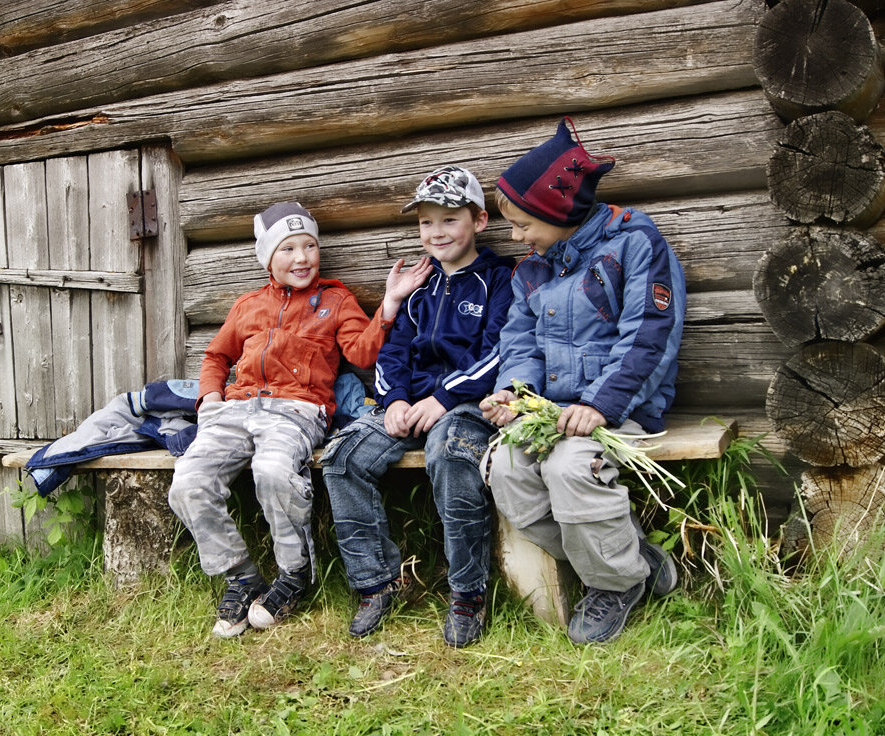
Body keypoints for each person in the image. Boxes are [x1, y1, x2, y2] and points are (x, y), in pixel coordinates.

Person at [168, 201, 431, 639]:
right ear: (268, 258)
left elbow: (363, 352)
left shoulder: (335, 299)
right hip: (235, 410)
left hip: (298, 410)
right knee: (188, 481)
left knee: (272, 472)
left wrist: (389, 303)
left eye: (309, 245)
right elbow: (216, 355)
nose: (303, 257)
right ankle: (242, 577)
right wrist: (209, 399)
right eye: (288, 248)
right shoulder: (249, 305)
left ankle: (293, 574)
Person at [478, 118, 685, 645]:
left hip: (622, 406)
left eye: (524, 225)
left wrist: (601, 405)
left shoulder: (633, 242)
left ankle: (614, 585)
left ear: (559, 211)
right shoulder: (534, 269)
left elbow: (649, 335)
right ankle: (631, 558)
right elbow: (520, 341)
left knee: (573, 466)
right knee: (505, 467)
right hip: (553, 410)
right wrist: (515, 394)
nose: (517, 237)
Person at [322, 166, 515, 647]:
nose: (437, 232)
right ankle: (376, 582)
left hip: (467, 403)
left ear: (480, 221)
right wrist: (395, 401)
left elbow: (499, 351)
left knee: (450, 456)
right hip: (410, 403)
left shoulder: (501, 279)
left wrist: (443, 397)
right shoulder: (419, 288)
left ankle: (467, 593)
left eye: (450, 219)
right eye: (427, 222)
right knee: (343, 458)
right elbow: (392, 352)